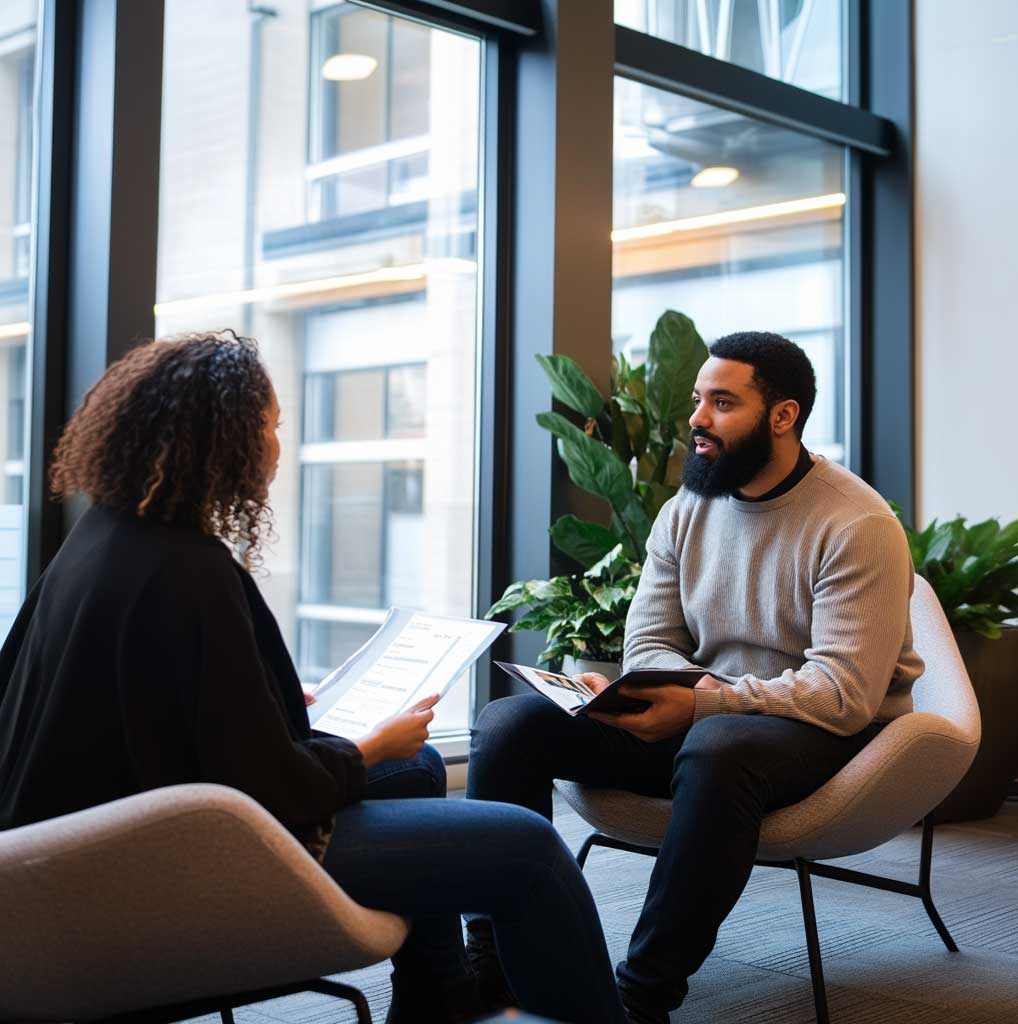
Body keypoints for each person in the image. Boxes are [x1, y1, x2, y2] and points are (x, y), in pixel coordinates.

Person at [0, 330, 628, 1024]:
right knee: (529, 846)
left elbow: (149, 707)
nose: (276, 448)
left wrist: (270, 702)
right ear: (225, 441)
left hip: (87, 842)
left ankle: (440, 1002)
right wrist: (366, 748)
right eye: (269, 428)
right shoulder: (191, 573)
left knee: (419, 767)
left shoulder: (99, 543)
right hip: (174, 862)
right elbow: (271, 787)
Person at [466, 331, 925, 1024]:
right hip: (706, 713)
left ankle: (639, 998)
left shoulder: (856, 523)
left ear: (783, 416)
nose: (697, 418)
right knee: (509, 725)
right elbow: (648, 639)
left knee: (721, 750)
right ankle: (491, 967)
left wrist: (702, 705)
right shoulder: (687, 510)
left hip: (822, 732)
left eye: (722, 402)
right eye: (696, 400)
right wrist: (672, 694)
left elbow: (843, 694)